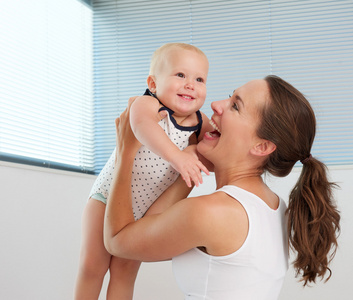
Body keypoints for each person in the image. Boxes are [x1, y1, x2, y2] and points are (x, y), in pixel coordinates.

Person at [104, 75, 340, 299]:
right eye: (229, 96)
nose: (216, 104)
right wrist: (188, 164)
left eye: (235, 106)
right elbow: (148, 232)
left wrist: (126, 152)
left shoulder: (212, 213)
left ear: (262, 146)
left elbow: (118, 241)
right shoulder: (275, 207)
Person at [74, 43, 213, 299]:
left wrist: (199, 151)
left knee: (125, 273)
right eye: (180, 75)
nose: (190, 84)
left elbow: (218, 146)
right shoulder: (148, 105)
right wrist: (179, 158)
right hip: (106, 198)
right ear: (153, 83)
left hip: (142, 216)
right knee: (93, 265)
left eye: (199, 79)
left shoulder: (201, 122)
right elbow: (141, 128)